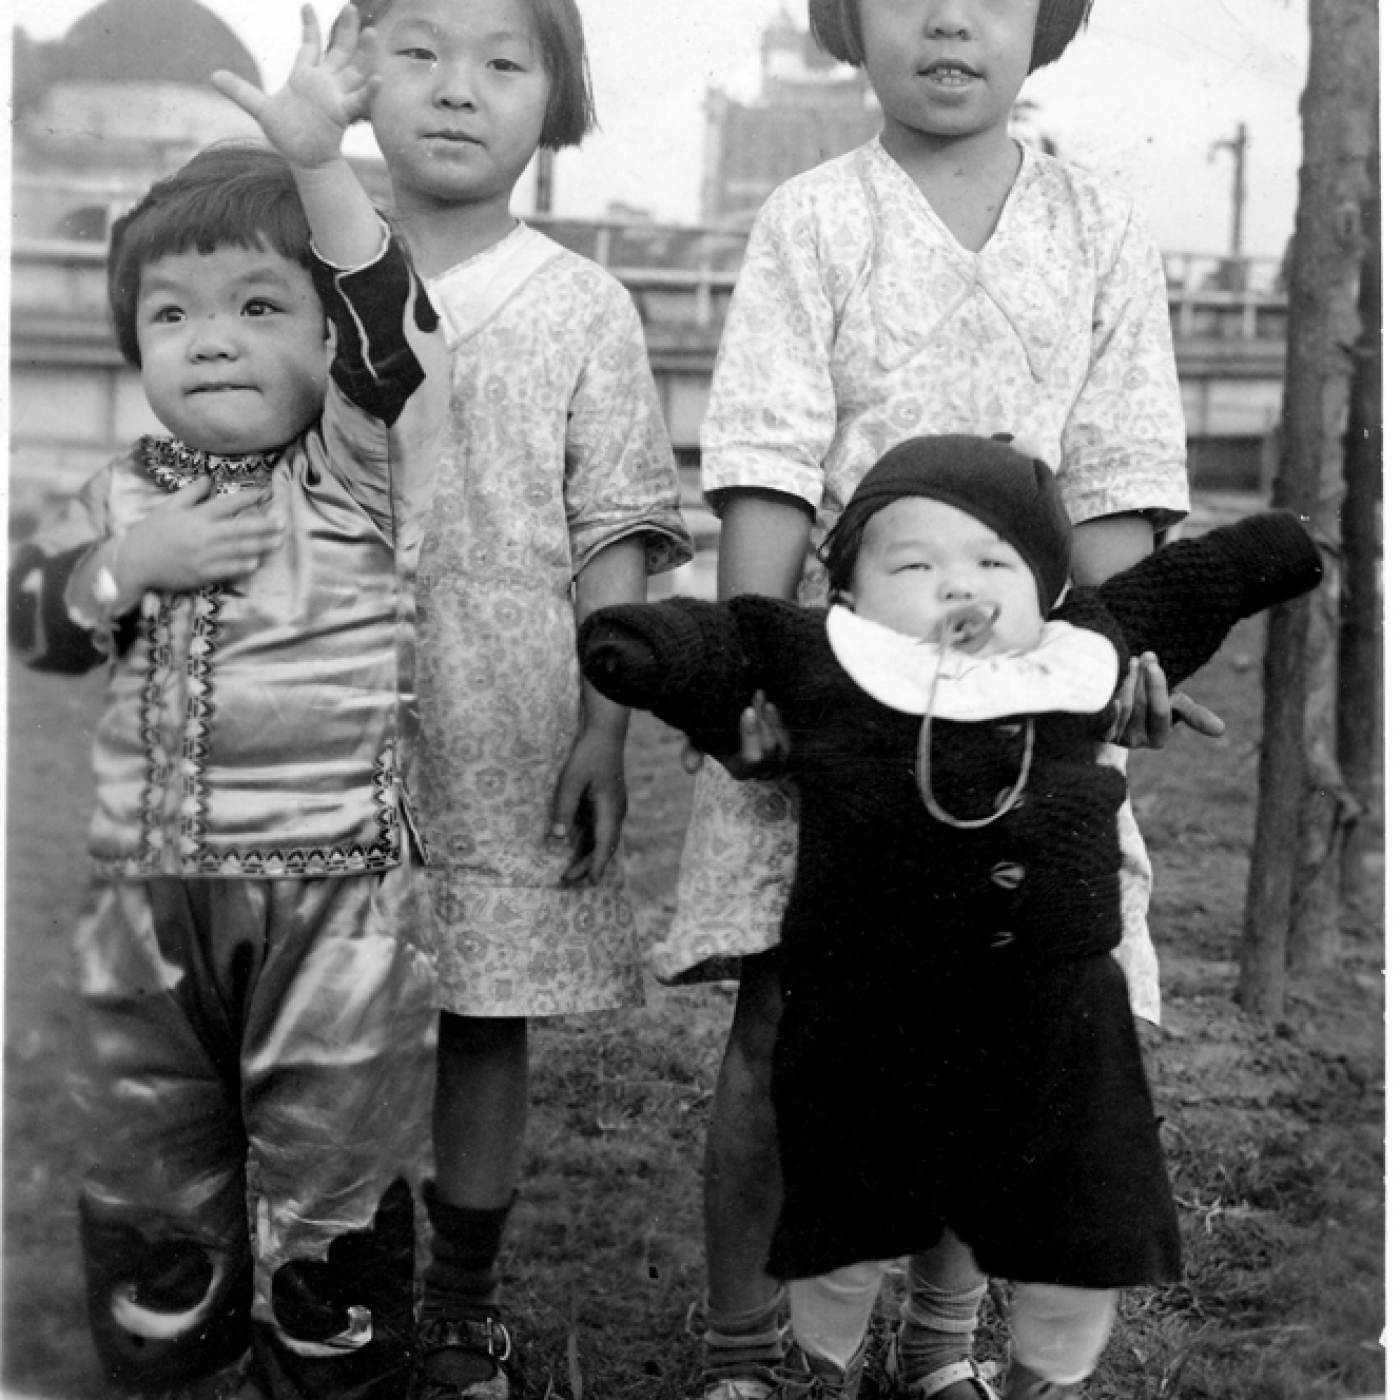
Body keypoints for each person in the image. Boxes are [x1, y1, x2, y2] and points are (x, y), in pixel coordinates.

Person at [664, 3, 1227, 1398]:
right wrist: (752, 676)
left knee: (1001, 1020)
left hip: (1022, 712)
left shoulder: (1098, 224)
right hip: (837, 694)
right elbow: (766, 463)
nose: (951, 21)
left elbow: (1113, 477)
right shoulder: (813, 216)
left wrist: (1118, 658)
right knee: (787, 1021)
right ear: (848, 25)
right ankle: (751, 1355)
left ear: (1048, 24)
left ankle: (939, 1347)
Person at [579, 434, 1323, 1400]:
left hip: (1053, 1000)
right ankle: (818, 1365)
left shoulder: (1086, 647)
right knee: (847, 1186)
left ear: (1047, 595)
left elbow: (1198, 580)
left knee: (1069, 1191)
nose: (957, 586)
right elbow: (717, 645)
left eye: (994, 563)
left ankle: (1037, 1369)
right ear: (846, 597)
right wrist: (637, 654)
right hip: (863, 992)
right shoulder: (821, 654)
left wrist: (1281, 546)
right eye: (915, 564)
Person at [8, 10, 446, 1397]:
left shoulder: (355, 466)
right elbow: (38, 626)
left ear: (324, 337)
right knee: (150, 1160)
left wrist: (321, 164)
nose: (212, 341)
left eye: (262, 307)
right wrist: (126, 567)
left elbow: (393, 333)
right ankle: (167, 1356)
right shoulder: (115, 494)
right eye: (174, 313)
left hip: (334, 903)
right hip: (144, 900)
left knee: (331, 1168)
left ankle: (325, 1358)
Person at [348, 1, 693, 1394]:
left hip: (508, 707)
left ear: (556, 98)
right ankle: (334, 1292)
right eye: (418, 51)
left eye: (503, 63)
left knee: (480, 1010)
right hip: (318, 714)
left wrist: (606, 724)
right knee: (326, 1005)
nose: (454, 91)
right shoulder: (298, 263)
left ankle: (458, 1304)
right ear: (355, 68)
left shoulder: (580, 301)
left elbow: (618, 524)